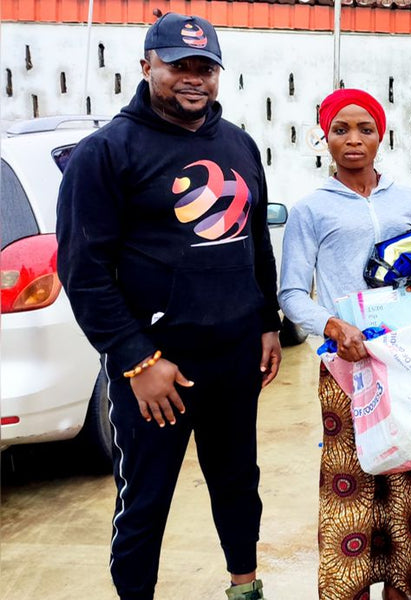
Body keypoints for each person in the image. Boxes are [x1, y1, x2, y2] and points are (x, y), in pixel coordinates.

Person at [55, 13, 281, 600]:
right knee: (145, 498)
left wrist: (265, 323)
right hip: (157, 369)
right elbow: (83, 272)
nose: (193, 79)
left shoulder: (238, 144)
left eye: (205, 67)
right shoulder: (106, 153)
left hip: (233, 360)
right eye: (180, 65)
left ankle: (244, 587)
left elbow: (254, 241)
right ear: (146, 66)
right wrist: (136, 359)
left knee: (237, 483)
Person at [278, 88, 411, 600]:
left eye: (365, 129)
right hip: (347, 370)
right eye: (341, 129)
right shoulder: (310, 210)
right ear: (325, 138)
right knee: (353, 482)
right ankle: (352, 587)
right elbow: (292, 292)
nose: (354, 140)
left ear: (382, 136)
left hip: (409, 363)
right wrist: (334, 328)